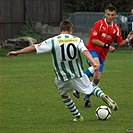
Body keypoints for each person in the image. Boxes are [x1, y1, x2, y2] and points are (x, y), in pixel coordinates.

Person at [7, 20, 118, 122]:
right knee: (91, 88)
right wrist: (93, 62)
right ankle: (103, 96)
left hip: (62, 77)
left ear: (61, 29)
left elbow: (34, 47)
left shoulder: (53, 41)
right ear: (71, 29)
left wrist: (17, 52)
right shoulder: (77, 40)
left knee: (64, 95)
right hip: (77, 74)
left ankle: (78, 117)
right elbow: (84, 51)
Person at [73, 5, 133, 107]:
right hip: (91, 50)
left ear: (115, 16)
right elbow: (94, 40)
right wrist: (108, 46)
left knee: (97, 78)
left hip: (102, 55)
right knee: (96, 64)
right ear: (105, 14)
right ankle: (76, 85)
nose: (110, 16)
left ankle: (86, 97)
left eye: (112, 15)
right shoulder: (99, 24)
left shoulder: (116, 28)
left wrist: (128, 39)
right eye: (108, 14)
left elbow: (119, 43)